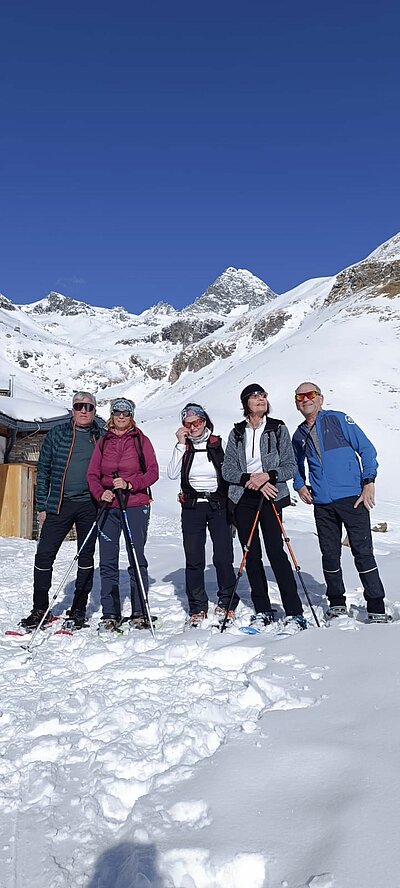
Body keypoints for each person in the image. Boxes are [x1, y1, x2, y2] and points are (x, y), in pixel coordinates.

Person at [292, 382, 387, 622]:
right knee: (330, 554)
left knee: (363, 553)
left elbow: (366, 449)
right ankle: (336, 603)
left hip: (353, 498)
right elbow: (294, 464)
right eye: (300, 396)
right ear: (296, 403)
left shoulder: (339, 420)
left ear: (320, 398)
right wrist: (300, 485)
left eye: (310, 394)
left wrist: (368, 481)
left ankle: (376, 606)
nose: (305, 399)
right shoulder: (299, 434)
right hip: (322, 503)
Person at [222, 383, 306, 629]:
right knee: (251, 553)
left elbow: (290, 466)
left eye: (264, 395)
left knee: (276, 552)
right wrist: (252, 480)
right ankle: (263, 610)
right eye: (255, 396)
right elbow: (228, 469)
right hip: (243, 497)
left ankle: (294, 612)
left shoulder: (277, 428)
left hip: (271, 496)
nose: (261, 399)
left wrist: (268, 476)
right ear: (245, 402)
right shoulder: (237, 432)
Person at [21, 391, 104, 630]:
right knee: (44, 555)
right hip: (59, 504)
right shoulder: (58, 433)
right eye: (79, 406)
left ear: (94, 411)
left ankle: (78, 609)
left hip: (90, 504)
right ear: (73, 409)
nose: (84, 411)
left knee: (86, 557)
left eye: (89, 407)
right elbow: (44, 469)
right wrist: (43, 507)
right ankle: (40, 608)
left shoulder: (101, 436)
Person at [87, 397, 159, 631]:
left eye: (125, 413)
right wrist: (101, 494)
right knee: (108, 560)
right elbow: (92, 475)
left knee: (136, 558)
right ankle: (110, 612)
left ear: (131, 416)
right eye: (117, 412)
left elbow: (153, 473)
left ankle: (139, 610)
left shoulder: (141, 440)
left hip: (135, 505)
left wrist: (130, 483)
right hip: (109, 507)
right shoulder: (103, 442)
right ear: (111, 415)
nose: (121, 416)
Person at [167, 403, 237, 627]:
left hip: (218, 505)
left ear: (205, 421)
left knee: (223, 556)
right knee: (194, 557)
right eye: (188, 423)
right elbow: (171, 474)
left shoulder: (218, 444)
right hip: (192, 506)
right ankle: (197, 606)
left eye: (197, 422)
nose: (193, 426)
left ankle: (227, 601)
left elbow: (230, 471)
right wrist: (180, 444)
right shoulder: (184, 447)